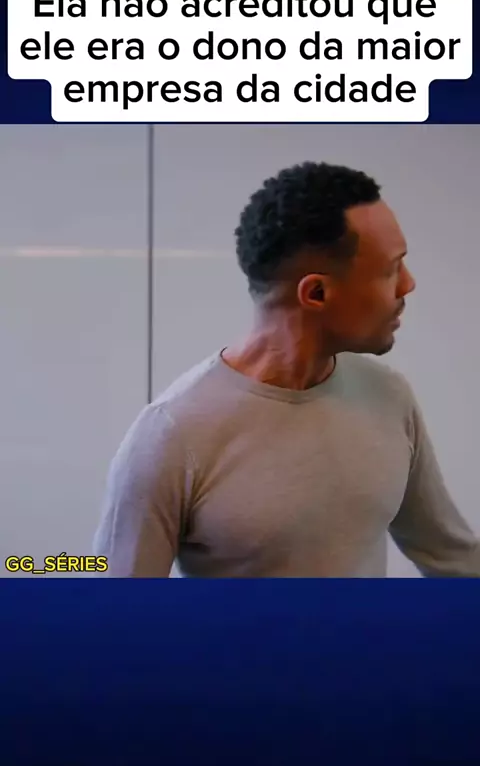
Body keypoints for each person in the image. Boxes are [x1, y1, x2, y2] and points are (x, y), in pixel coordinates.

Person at [93, 161, 479, 578]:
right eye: (391, 270)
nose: (408, 284)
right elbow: (115, 603)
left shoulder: (388, 396)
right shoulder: (171, 435)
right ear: (316, 293)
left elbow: (455, 561)